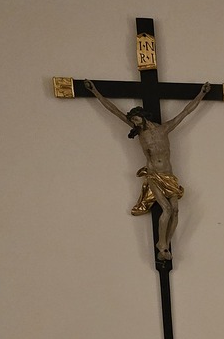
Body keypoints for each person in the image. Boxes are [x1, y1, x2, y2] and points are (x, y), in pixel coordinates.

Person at [83, 79, 210, 261]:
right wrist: (94, 91)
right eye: (132, 121)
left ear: (143, 116)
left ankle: (166, 243)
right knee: (166, 209)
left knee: (175, 210)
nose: (134, 123)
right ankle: (162, 245)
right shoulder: (141, 133)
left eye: (136, 119)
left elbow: (186, 112)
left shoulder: (164, 128)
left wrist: (202, 93)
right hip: (154, 175)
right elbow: (114, 111)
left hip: (169, 175)